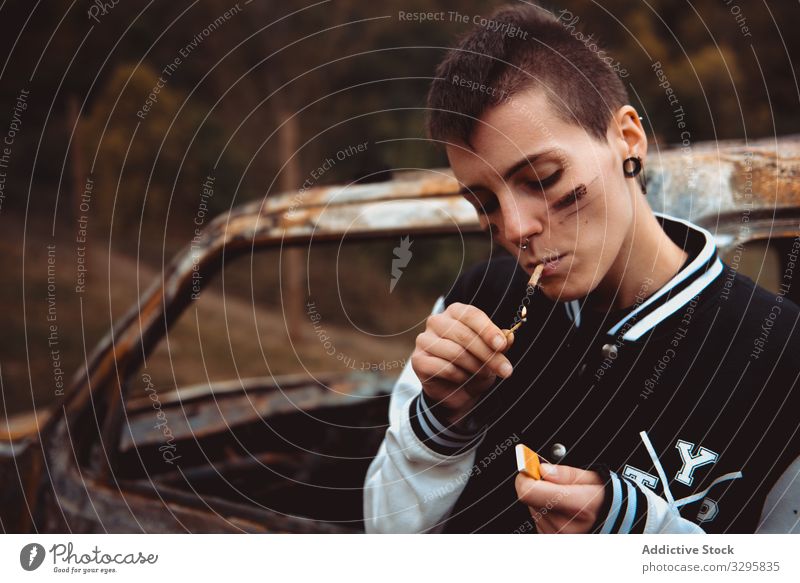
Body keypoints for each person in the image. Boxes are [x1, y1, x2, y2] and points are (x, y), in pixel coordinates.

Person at [363, 3, 800, 533]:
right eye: (485, 202)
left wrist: (641, 536)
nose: (516, 228)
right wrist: (441, 422)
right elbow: (385, 532)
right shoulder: (475, 305)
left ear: (628, 140)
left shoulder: (780, 357)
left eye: (543, 178)